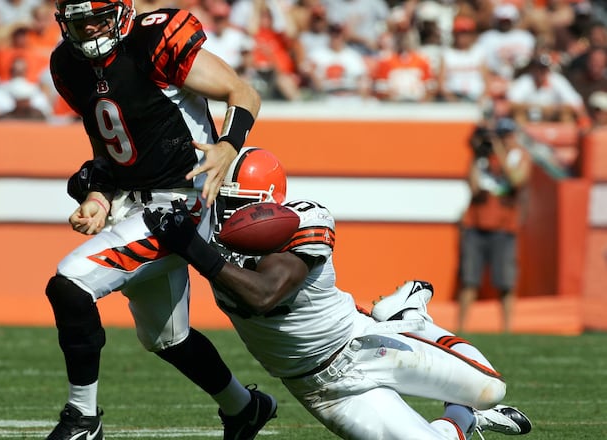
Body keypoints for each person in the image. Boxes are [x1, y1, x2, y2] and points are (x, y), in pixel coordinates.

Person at [143, 147, 533, 439]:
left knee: (490, 387)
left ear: (272, 203)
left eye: (241, 206)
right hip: (315, 386)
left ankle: (409, 318)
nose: (228, 215)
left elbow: (263, 295)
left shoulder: (304, 221)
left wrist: (194, 249)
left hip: (358, 347)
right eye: (224, 203)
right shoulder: (205, 222)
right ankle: (466, 418)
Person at [44, 1, 274, 439]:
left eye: (95, 16)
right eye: (77, 21)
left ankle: (82, 420)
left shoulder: (154, 40)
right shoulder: (67, 65)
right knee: (167, 338)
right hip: (134, 206)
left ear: (121, 11)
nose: (89, 28)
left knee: (70, 283)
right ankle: (246, 409)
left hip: (183, 204)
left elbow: (244, 93)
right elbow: (110, 148)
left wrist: (228, 145)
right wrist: (98, 196)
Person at [458, 117, 532, 333]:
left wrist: (500, 152)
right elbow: (472, 187)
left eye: (507, 136)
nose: (504, 140)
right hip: (476, 225)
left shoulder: (520, 157)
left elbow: (516, 181)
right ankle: (462, 327)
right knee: (469, 279)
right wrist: (476, 153)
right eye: (501, 136)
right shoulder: (481, 160)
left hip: (504, 228)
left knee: (505, 282)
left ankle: (506, 329)